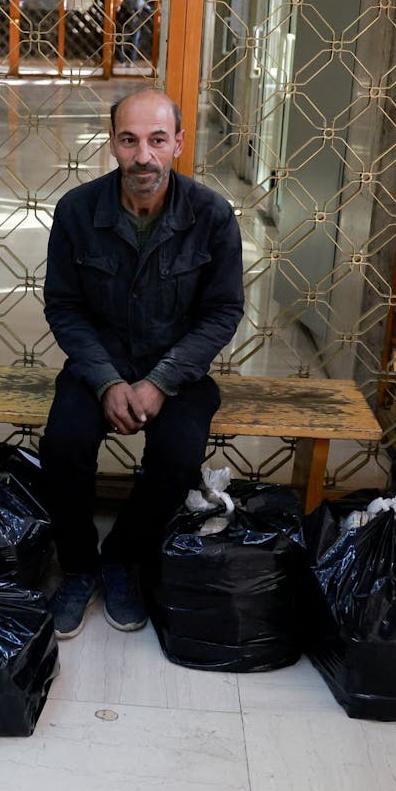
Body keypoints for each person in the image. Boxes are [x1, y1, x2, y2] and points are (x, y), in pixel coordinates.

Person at [40, 88, 245, 638]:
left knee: (178, 454)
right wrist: (107, 381)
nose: (143, 156)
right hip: (97, 363)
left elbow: (223, 312)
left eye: (157, 140)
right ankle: (79, 564)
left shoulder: (212, 216)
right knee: (62, 444)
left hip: (178, 371)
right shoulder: (77, 212)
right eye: (129, 141)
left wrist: (160, 380)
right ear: (112, 145)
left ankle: (123, 556)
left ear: (179, 143)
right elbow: (63, 306)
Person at [116, 0, 147, 64]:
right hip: (136, 25)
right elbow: (148, 9)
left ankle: (122, 60)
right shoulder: (140, 1)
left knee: (122, 43)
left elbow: (120, 12)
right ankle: (132, 61)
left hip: (126, 24)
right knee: (134, 44)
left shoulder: (125, 1)